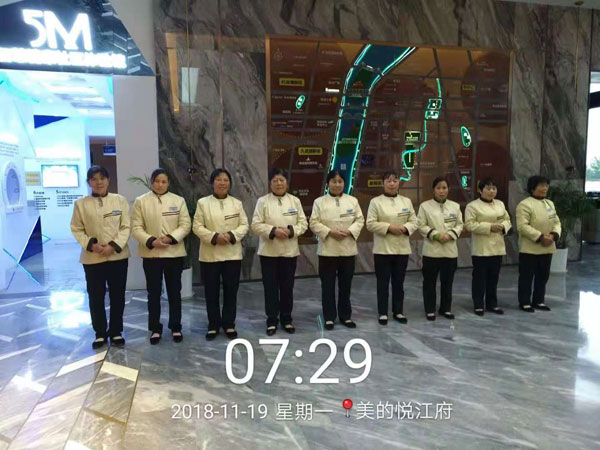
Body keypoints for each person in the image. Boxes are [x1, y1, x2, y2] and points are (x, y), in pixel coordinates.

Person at [70, 165, 130, 349]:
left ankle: (116, 331)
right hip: (92, 258)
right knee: (96, 296)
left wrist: (112, 246)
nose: (99, 182)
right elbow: (76, 229)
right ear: (89, 182)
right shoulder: (81, 204)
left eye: (102, 178)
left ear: (108, 180)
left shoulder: (119, 201)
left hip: (117, 257)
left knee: (118, 296)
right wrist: (92, 245)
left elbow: (126, 227)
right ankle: (100, 333)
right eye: (94, 179)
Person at [132, 168, 191, 345]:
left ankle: (176, 327)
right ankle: (155, 329)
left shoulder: (178, 200)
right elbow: (136, 227)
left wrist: (170, 238)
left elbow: (185, 225)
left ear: (168, 183)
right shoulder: (141, 201)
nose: (160, 185)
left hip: (174, 254)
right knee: (154, 293)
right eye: (157, 181)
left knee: (174, 292)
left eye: (163, 181)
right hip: (151, 254)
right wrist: (152, 241)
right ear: (152, 182)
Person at [193, 168, 249, 340]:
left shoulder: (237, 203)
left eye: (225, 180)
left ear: (230, 183)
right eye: (218, 179)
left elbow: (244, 225)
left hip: (232, 255)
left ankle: (229, 324)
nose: (222, 183)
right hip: (210, 255)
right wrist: (215, 237)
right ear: (212, 183)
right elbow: (197, 226)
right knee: (211, 291)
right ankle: (213, 324)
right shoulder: (203, 203)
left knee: (231, 291)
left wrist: (231, 236)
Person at [251, 169, 308, 335]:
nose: (278, 183)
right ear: (270, 183)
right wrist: (273, 231)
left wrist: (290, 231)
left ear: (287, 183)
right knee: (270, 288)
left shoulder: (295, 201)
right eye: (275, 180)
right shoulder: (262, 201)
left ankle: (286, 319)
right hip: (268, 253)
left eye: (281, 180)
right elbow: (255, 225)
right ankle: (271, 320)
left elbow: (303, 224)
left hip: (289, 252)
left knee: (287, 287)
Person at [309, 170, 364, 330]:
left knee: (345, 286)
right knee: (327, 286)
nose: (337, 184)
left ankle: (345, 316)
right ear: (328, 183)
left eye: (340, 181)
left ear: (344, 183)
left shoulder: (352, 201)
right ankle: (329, 317)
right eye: (334, 181)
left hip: (348, 250)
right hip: (328, 251)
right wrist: (330, 232)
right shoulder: (319, 202)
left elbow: (360, 220)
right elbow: (313, 223)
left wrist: (349, 231)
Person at [366, 170, 418, 325]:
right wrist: (389, 227)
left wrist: (405, 228)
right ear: (383, 183)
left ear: (399, 183)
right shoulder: (376, 202)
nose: (392, 183)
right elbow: (370, 224)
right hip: (382, 249)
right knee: (382, 282)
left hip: (402, 249)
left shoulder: (406, 201)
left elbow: (414, 221)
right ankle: (383, 313)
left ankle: (398, 311)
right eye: (388, 181)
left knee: (399, 282)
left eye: (395, 180)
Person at [418, 176, 464, 321]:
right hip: (431, 251)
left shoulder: (455, 206)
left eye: (444, 188)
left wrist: (450, 235)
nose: (441, 191)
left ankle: (446, 308)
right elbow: (421, 225)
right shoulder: (425, 206)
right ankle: (430, 309)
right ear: (433, 190)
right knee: (429, 283)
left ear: (448, 189)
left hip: (450, 251)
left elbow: (460, 224)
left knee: (447, 282)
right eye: (438, 188)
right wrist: (436, 235)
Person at [464, 178, 511, 316]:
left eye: (494, 188)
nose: (491, 191)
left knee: (493, 278)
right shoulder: (472, 206)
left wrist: (503, 226)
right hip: (481, 248)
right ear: (480, 190)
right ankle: (478, 304)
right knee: (479, 278)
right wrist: (490, 227)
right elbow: (469, 225)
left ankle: (492, 304)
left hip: (497, 247)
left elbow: (507, 220)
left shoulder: (500, 204)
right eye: (488, 188)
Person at [516, 175, 561, 312]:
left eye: (546, 185)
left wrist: (553, 235)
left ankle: (539, 300)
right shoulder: (524, 205)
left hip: (547, 246)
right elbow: (522, 226)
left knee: (543, 276)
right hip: (530, 248)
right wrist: (540, 237)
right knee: (526, 277)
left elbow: (557, 222)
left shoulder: (549, 204)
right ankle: (525, 302)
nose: (545, 188)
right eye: (541, 185)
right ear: (532, 188)